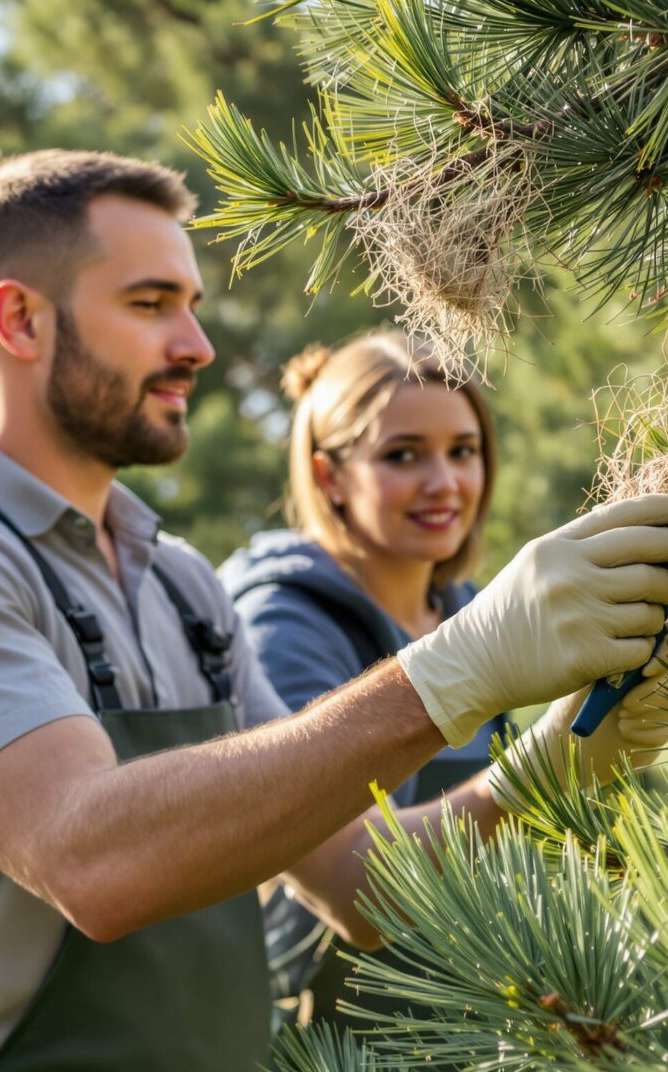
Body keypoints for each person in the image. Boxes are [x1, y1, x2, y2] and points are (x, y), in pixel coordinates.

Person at [0, 149, 668, 1072]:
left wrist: (547, 770)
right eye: (150, 305)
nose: (197, 347)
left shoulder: (182, 584)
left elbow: (357, 886)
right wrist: (458, 668)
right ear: (20, 318)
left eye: (193, 304)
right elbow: (90, 861)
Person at [220, 331, 510, 1022]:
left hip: (483, 1021)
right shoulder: (282, 625)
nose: (444, 483)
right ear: (329, 477)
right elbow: (358, 888)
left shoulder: (475, 613)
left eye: (462, 451)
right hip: (332, 1032)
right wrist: (546, 769)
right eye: (403, 455)